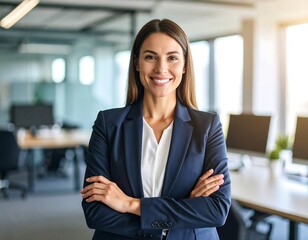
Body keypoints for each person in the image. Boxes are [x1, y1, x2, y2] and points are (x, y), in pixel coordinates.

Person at [80, 18, 231, 240]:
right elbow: (95, 213)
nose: (161, 68)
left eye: (172, 58)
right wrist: (182, 212)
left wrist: (129, 204)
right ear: (137, 63)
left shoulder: (207, 126)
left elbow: (217, 210)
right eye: (150, 57)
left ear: (185, 65)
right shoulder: (109, 124)